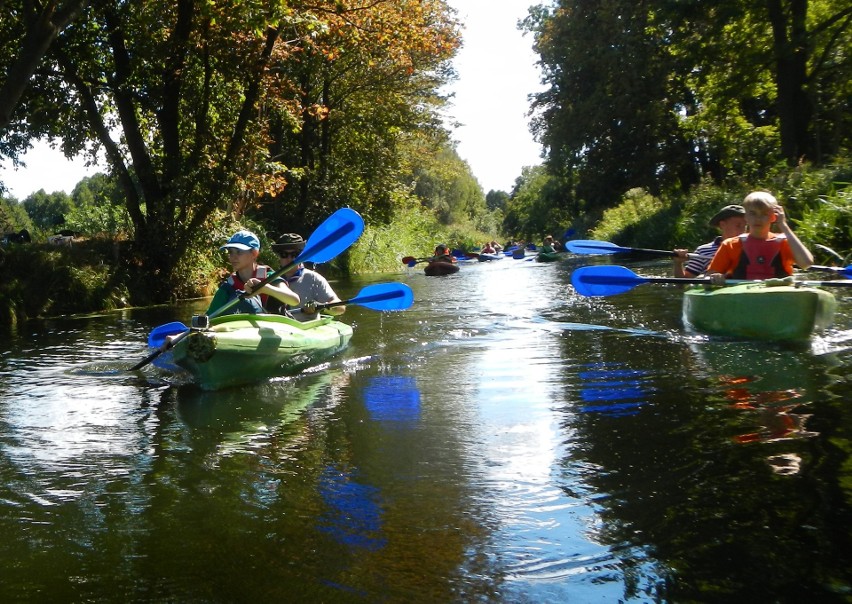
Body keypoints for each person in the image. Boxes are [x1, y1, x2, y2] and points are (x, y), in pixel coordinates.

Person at [707, 191, 814, 284]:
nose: (758, 219)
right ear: (746, 217)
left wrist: (783, 225)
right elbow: (709, 278)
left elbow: (806, 263)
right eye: (753, 213)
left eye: (764, 214)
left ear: (773, 216)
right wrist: (716, 277)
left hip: (778, 300)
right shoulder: (730, 245)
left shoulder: (785, 243)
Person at [206, 230, 299, 316]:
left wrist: (265, 288)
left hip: (274, 329)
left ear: (254, 254)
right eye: (230, 252)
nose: (233, 257)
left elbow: (294, 300)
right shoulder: (228, 287)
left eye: (238, 252)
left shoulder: (269, 276)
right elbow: (208, 317)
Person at [270, 233, 346, 321]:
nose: (289, 259)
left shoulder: (314, 278)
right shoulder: (270, 279)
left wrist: (323, 306)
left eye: (295, 254)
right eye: (284, 254)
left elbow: (341, 308)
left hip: (305, 328)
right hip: (278, 329)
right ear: (278, 256)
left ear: (301, 256)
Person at [673, 204, 747, 277]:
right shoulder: (703, 251)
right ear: (722, 225)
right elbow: (683, 283)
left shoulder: (751, 248)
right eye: (738, 226)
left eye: (745, 226)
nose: (743, 230)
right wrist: (678, 264)